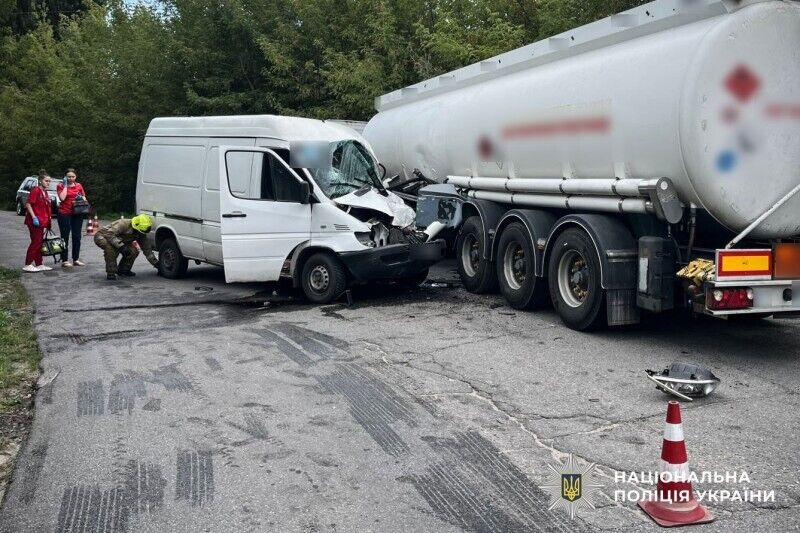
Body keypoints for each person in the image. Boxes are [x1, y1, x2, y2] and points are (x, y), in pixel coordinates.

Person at [93, 214, 160, 280]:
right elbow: (109, 234)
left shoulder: (141, 232)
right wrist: (121, 247)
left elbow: (147, 249)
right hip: (103, 236)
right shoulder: (123, 224)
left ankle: (123, 270)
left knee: (133, 251)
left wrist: (157, 264)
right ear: (136, 225)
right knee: (111, 249)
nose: (141, 233)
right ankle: (111, 272)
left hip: (119, 239)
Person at [56, 168, 88, 268]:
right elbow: (62, 198)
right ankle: (65, 260)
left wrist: (81, 198)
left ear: (76, 177)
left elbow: (84, 197)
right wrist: (65, 186)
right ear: (65, 177)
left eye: (73, 176)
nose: (71, 178)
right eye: (68, 176)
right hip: (64, 213)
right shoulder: (60, 185)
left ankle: (76, 259)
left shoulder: (79, 185)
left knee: (77, 236)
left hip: (77, 212)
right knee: (65, 236)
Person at [23, 170, 54, 272]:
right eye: (46, 181)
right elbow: (28, 204)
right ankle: (28, 264)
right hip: (34, 221)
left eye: (49, 181)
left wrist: (48, 221)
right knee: (36, 242)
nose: (48, 183)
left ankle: (39, 264)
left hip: (42, 221)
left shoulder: (45, 192)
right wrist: (34, 217)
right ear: (40, 181)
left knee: (39, 243)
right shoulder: (36, 190)